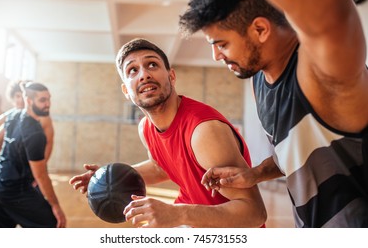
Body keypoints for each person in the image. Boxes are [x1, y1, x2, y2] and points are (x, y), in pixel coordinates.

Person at [179, 0, 368, 227]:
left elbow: (332, 12)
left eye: (222, 44)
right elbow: (295, 153)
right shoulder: (260, 79)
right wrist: (254, 174)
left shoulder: (320, 72)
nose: (216, 56)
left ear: (260, 29)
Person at [69, 38, 266, 228]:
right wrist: (109, 179)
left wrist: (178, 214)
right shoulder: (146, 127)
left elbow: (254, 213)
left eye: (152, 65)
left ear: (171, 76)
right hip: (193, 221)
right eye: (132, 70)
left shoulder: (203, 131)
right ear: (126, 91)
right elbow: (160, 166)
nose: (144, 74)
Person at [0, 82, 66, 228]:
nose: (48, 104)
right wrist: (56, 206)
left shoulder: (13, 115)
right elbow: (40, 175)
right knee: (52, 225)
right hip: (15, 190)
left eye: (49, 99)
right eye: (42, 100)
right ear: (29, 101)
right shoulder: (35, 134)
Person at [0, 80, 55, 161]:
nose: (21, 100)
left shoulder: (44, 119)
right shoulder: (4, 119)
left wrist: (40, 166)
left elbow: (49, 143)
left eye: (23, 96)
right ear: (12, 97)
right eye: (18, 96)